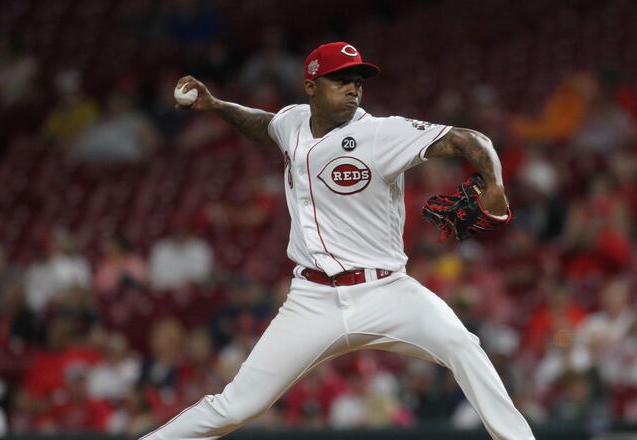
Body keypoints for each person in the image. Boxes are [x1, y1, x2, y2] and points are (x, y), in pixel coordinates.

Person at [141, 42, 534, 439]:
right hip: (312, 300)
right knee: (236, 407)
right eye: (340, 80)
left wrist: (495, 185)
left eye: (357, 81)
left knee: (462, 345)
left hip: (386, 291)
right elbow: (266, 126)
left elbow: (469, 139)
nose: (352, 89)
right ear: (310, 86)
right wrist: (217, 106)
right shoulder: (293, 122)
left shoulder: (380, 134)